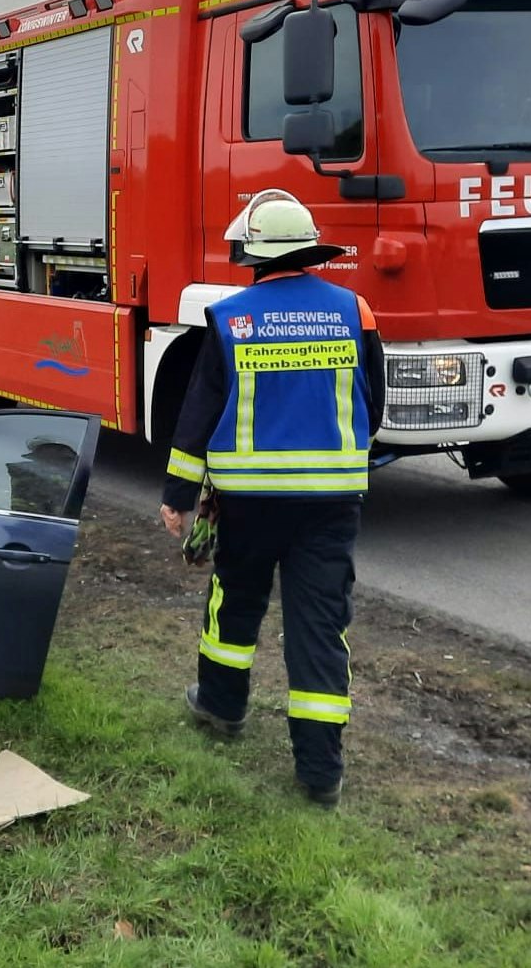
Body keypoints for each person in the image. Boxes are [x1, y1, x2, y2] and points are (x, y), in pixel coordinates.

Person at [158, 189, 385, 809]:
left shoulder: (230, 318)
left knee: (235, 604)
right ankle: (320, 774)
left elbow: (197, 416)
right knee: (319, 626)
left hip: (249, 504)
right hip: (332, 504)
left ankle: (221, 708)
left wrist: (179, 495)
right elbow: (376, 400)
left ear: (254, 255)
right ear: (310, 252)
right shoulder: (354, 311)